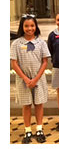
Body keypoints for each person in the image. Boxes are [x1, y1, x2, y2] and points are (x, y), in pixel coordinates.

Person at [10, 14, 51, 143]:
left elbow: (45, 62)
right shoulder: (17, 43)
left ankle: (39, 128)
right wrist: (26, 79)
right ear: (22, 27)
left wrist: (35, 79)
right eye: (26, 26)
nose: (29, 28)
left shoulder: (41, 42)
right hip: (23, 81)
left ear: (36, 26)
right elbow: (14, 63)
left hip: (38, 79)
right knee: (26, 105)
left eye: (32, 25)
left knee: (39, 104)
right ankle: (27, 130)